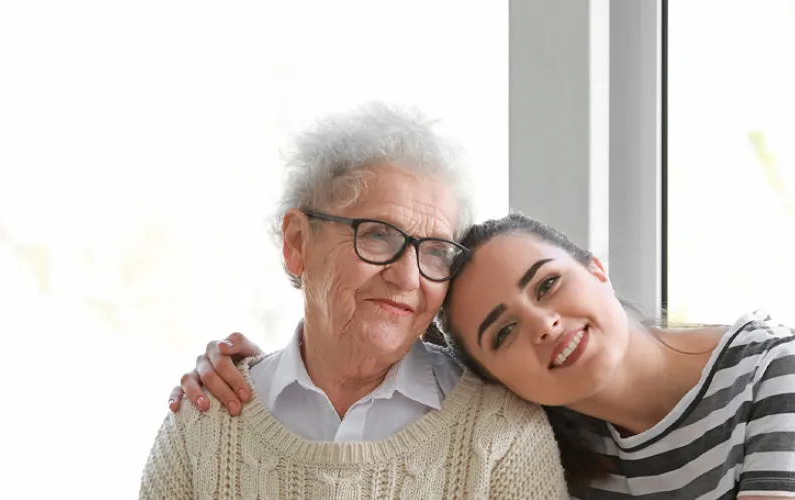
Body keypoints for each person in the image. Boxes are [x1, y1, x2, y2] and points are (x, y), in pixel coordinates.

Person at [170, 213, 795, 500]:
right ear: (498, 381)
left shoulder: (787, 379)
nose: (544, 325)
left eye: (547, 284)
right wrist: (273, 381)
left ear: (597, 270)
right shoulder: (553, 448)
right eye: (502, 334)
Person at [138, 104, 568, 499]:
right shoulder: (203, 425)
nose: (408, 277)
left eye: (436, 250)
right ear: (297, 243)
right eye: (379, 235)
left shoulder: (503, 432)